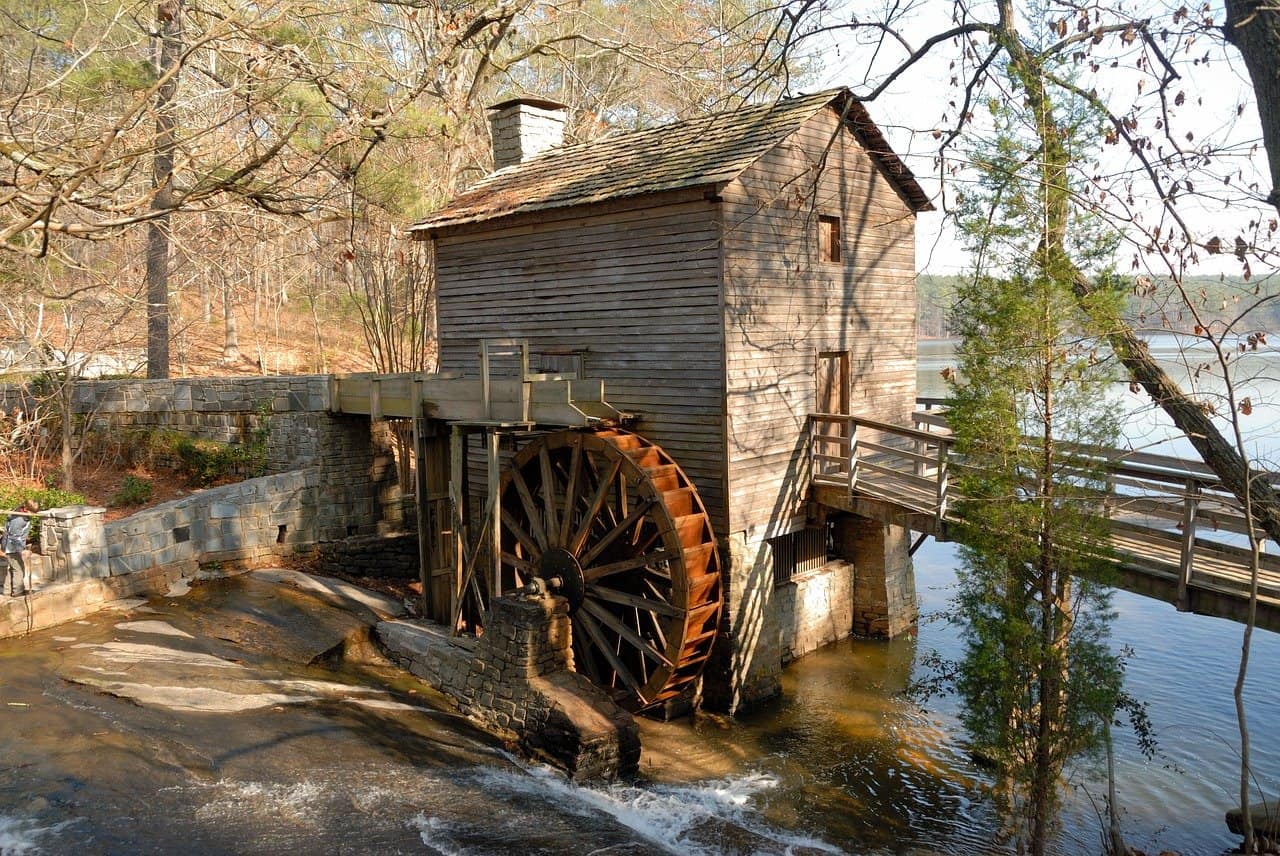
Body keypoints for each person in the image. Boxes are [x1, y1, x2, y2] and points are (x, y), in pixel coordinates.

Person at [3, 499, 39, 597]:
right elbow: (13, 537)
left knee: (13, 568)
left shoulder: (22, 514)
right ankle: (18, 592)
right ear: (26, 509)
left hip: (13, 546)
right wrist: (22, 550)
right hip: (11, 547)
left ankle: (7, 591)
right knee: (19, 569)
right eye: (32, 512)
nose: (33, 515)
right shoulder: (19, 519)